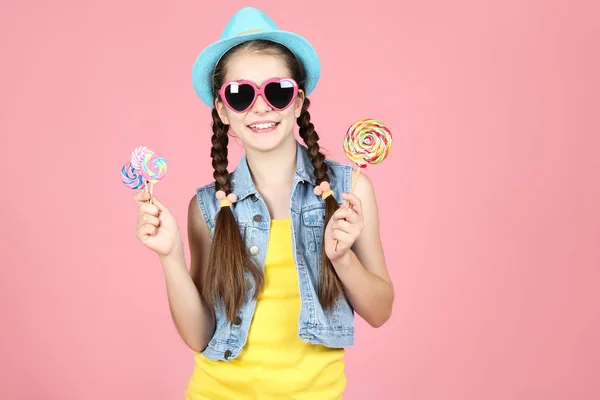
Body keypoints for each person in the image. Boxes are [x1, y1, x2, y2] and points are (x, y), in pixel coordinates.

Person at [133, 7, 393, 399]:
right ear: (222, 110)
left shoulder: (349, 191)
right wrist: (170, 257)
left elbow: (379, 311)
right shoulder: (206, 208)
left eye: (277, 91)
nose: (260, 107)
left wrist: (343, 259)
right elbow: (199, 335)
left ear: (299, 100)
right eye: (240, 94)